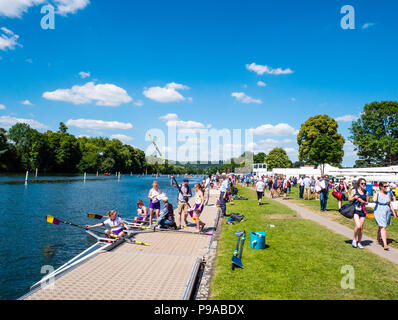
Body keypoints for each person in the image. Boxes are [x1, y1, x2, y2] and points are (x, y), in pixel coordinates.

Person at [373, 182, 397, 250]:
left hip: (386, 211)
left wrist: (393, 212)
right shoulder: (378, 193)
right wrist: (376, 193)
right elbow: (374, 200)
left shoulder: (388, 194)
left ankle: (378, 239)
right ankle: (385, 244)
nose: (386, 187)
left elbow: (390, 204)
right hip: (379, 211)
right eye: (384, 186)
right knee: (383, 227)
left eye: (386, 186)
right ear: (380, 187)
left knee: (381, 226)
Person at [348, 178, 369, 249]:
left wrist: (363, 201)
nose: (364, 185)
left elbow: (367, 202)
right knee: (358, 226)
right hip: (356, 210)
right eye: (362, 183)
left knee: (361, 228)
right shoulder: (354, 190)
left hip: (362, 211)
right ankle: (354, 239)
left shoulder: (366, 192)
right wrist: (355, 197)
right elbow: (349, 199)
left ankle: (359, 242)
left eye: (364, 183)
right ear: (359, 184)